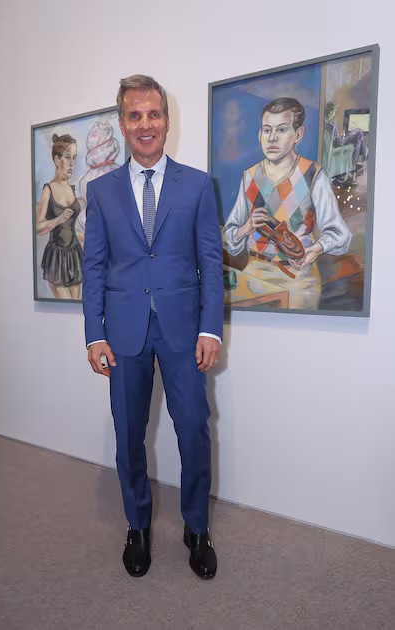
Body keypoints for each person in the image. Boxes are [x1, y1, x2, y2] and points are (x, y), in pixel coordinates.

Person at [82, 75, 223, 579]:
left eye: (154, 114)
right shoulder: (100, 191)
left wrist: (211, 329)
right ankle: (137, 526)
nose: (146, 124)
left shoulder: (198, 185)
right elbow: (94, 267)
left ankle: (197, 528)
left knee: (194, 431)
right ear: (123, 124)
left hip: (184, 331)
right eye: (135, 115)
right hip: (123, 333)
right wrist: (94, 333)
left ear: (166, 120)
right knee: (128, 436)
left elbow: (210, 262)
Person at [223, 98, 352, 310]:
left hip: (298, 279)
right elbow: (231, 235)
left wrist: (316, 249)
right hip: (253, 275)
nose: (272, 137)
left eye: (282, 130)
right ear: (260, 134)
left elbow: (340, 234)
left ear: (298, 134)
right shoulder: (249, 176)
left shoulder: (314, 175)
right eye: (267, 130)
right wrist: (246, 228)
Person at [36, 133, 83, 299]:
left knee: (76, 308)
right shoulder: (48, 189)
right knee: (65, 304)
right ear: (57, 160)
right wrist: (58, 219)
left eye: (74, 158)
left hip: (74, 256)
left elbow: (70, 229)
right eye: (68, 157)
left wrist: (89, 236)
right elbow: (38, 227)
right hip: (56, 259)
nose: (72, 163)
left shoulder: (72, 188)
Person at [324, 101, 368, 173]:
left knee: (358, 141)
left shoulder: (324, 124)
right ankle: (363, 156)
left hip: (335, 147)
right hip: (339, 149)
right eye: (334, 111)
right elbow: (339, 144)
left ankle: (360, 157)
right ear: (331, 112)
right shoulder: (331, 126)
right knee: (359, 132)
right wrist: (347, 137)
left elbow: (334, 140)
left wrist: (343, 137)